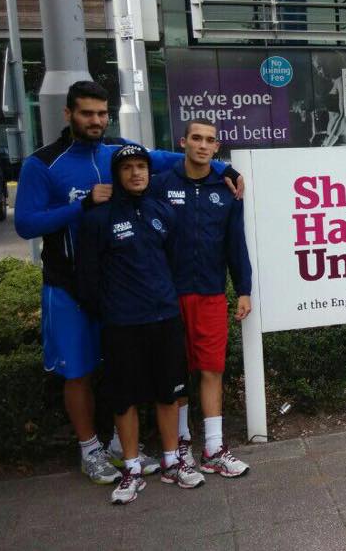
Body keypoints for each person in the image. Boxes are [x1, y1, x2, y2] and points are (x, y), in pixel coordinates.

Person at [14, 81, 242, 484]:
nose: (96, 120)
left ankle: (124, 449)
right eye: (87, 113)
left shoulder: (117, 150)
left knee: (128, 373)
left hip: (128, 293)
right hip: (68, 285)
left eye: (102, 113)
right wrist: (80, 205)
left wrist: (226, 168)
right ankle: (90, 451)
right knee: (79, 372)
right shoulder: (42, 163)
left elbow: (180, 156)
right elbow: (25, 223)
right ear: (68, 114)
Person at [77, 144, 206, 504]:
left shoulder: (162, 212)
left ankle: (171, 462)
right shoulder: (97, 219)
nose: (136, 173)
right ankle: (131, 468)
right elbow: (87, 279)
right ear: (116, 174)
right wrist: (111, 310)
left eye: (141, 167)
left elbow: (175, 262)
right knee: (124, 399)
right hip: (122, 324)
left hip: (164, 318)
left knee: (169, 392)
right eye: (128, 167)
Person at [152, 118, 252, 476]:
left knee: (212, 369)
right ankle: (180, 445)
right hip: (169, 296)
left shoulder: (227, 190)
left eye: (210, 140)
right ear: (183, 142)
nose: (203, 145)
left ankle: (213, 448)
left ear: (217, 147)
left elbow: (235, 244)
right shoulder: (160, 185)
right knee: (176, 372)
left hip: (210, 293)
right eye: (196, 138)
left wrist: (243, 289)